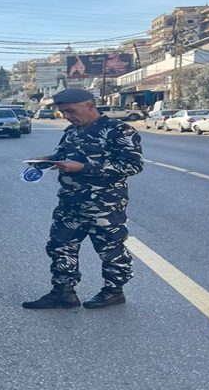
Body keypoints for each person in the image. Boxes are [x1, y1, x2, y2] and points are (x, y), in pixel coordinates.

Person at [22, 88, 143, 310]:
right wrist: (47, 160)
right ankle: (63, 292)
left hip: (104, 205)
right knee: (60, 246)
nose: (67, 116)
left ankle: (114, 291)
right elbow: (64, 156)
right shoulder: (72, 131)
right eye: (63, 112)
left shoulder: (119, 130)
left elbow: (132, 165)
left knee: (110, 250)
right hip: (70, 203)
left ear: (90, 105)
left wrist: (84, 168)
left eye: (71, 111)